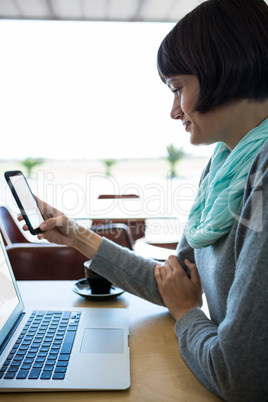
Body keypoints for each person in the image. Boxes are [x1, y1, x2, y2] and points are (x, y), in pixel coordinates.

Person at [19, 0, 268, 400]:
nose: (173, 111)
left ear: (225, 70)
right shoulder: (223, 166)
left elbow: (241, 375)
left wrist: (188, 313)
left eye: (177, 88)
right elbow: (172, 283)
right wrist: (74, 235)